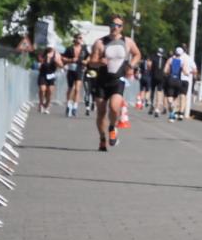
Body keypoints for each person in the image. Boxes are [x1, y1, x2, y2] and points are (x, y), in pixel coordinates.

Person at [87, 15, 142, 151]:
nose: (115, 27)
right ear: (109, 26)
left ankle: (112, 127)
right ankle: (102, 138)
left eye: (118, 25)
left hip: (117, 80)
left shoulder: (127, 41)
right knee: (100, 112)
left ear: (122, 28)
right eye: (113, 25)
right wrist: (99, 62)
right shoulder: (100, 42)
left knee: (114, 107)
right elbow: (91, 62)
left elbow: (137, 54)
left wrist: (131, 65)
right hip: (101, 81)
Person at [163, 47, 195, 121]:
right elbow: (185, 72)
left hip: (170, 79)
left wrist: (168, 73)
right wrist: (188, 73)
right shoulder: (182, 61)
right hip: (178, 80)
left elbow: (165, 70)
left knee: (169, 96)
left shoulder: (170, 60)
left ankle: (171, 105)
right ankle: (173, 109)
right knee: (176, 97)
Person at [62, 34, 89, 117]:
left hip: (79, 69)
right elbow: (63, 58)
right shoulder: (69, 48)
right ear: (75, 39)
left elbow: (89, 57)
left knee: (77, 89)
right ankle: (68, 105)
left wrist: (86, 61)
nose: (81, 39)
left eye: (81, 38)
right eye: (79, 38)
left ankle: (75, 107)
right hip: (71, 69)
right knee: (70, 88)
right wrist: (70, 60)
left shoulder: (84, 49)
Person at [37, 47, 64, 114]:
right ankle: (41, 103)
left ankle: (47, 105)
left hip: (51, 75)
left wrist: (56, 61)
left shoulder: (56, 54)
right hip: (43, 74)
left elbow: (61, 65)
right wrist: (44, 59)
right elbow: (39, 64)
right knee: (42, 89)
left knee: (50, 91)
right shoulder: (43, 54)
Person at [150, 48, 167, 116]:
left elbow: (151, 68)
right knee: (159, 92)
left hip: (154, 76)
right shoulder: (164, 59)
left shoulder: (154, 58)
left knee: (153, 91)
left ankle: (152, 104)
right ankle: (157, 108)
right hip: (161, 77)